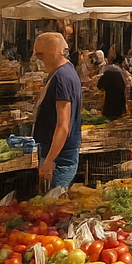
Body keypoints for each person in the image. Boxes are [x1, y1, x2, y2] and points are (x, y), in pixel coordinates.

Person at [32, 32, 84, 191]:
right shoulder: (61, 73)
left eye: (41, 54)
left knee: (56, 206)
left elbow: (63, 125)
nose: (38, 59)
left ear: (53, 51)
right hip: (56, 153)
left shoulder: (62, 77)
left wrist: (49, 161)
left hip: (60, 157)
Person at [97, 51, 130, 121]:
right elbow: (125, 89)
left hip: (109, 105)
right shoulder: (121, 74)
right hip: (119, 105)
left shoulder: (107, 72)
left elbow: (99, 86)